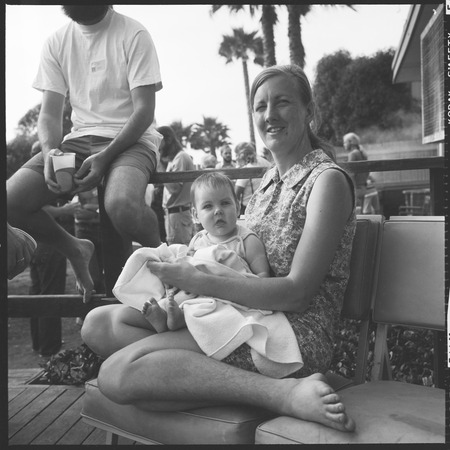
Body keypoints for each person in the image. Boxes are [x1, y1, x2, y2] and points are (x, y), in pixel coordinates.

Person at [81, 64, 356, 432]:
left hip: (289, 331)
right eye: (260, 107)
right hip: (240, 313)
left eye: (283, 102)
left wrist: (203, 280)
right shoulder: (268, 183)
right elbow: (232, 252)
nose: (269, 115)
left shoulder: (326, 181)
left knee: (118, 375)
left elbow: (298, 294)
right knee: (98, 324)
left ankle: (284, 393)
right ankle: (194, 377)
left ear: (309, 111)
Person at [6, 5, 163, 303]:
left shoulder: (134, 32)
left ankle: (170, 260)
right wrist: (52, 152)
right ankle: (75, 248)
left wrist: (106, 157)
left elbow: (144, 112)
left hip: (132, 139)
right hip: (78, 140)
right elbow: (49, 115)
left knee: (121, 205)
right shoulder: (56, 40)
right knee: (10, 200)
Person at [141, 171, 270, 333]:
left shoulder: (246, 240)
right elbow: (188, 265)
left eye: (225, 203)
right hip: (198, 292)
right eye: (208, 206)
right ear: (196, 215)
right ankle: (163, 316)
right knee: (176, 298)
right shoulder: (198, 239)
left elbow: (263, 279)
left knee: (213, 308)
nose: (218, 211)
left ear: (237, 207)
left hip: (229, 298)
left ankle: (180, 319)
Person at [30, 200, 79, 357]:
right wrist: (65, 210)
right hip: (49, 245)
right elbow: (41, 209)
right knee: (51, 294)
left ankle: (39, 343)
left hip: (35, 243)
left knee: (37, 293)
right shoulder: (40, 185)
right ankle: (49, 348)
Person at [157, 126, 195, 246]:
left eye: (158, 140)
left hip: (178, 215)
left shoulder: (181, 157)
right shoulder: (173, 160)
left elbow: (174, 188)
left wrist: (158, 165)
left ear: (167, 139)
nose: (156, 144)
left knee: (180, 255)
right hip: (174, 215)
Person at [234, 142, 269, 216]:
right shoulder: (266, 163)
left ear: (241, 155)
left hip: (249, 208)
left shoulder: (246, 169)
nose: (236, 158)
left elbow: (236, 194)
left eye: (236, 154)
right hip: (267, 205)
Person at [342, 132, 370, 211]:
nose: (344, 145)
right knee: (361, 212)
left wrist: (353, 191)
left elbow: (351, 175)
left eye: (345, 142)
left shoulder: (352, 154)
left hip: (356, 189)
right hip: (364, 187)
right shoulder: (363, 153)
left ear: (350, 142)